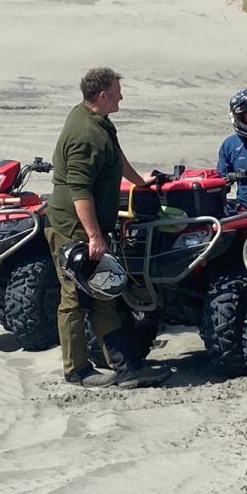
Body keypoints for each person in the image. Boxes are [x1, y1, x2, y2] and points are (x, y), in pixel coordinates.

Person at [46, 67, 168, 389]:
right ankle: (77, 371)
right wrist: (93, 236)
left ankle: (126, 368)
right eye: (116, 91)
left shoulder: (97, 121)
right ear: (102, 95)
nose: (121, 97)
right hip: (73, 228)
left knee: (104, 292)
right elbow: (79, 190)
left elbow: (115, 155)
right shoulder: (86, 134)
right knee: (74, 297)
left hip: (87, 225)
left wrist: (139, 182)